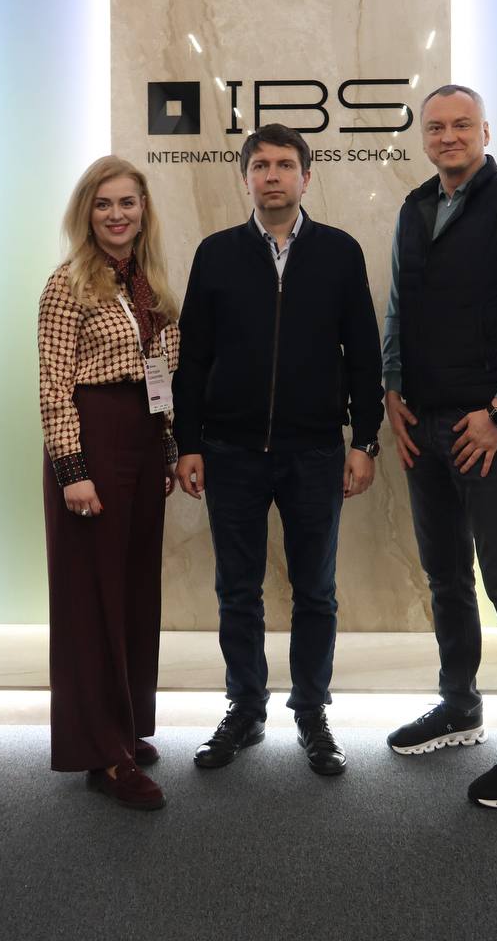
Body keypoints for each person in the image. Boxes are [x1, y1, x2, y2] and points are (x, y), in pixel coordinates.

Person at [173, 123, 383, 776]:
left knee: (315, 591)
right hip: (230, 451)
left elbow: (364, 354)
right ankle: (245, 709)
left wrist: (365, 440)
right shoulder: (216, 253)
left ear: (305, 177)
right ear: (246, 178)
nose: (272, 175)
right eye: (260, 165)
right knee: (237, 590)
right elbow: (192, 358)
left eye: (284, 164)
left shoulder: (339, 252)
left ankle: (312, 712)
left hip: (314, 451)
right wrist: (188, 442)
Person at [383, 85, 497, 809]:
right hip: (423, 427)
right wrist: (391, 390)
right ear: (424, 137)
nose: (449, 136)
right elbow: (398, 308)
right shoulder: (413, 209)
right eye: (436, 127)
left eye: (463, 124)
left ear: (485, 132)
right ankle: (459, 707)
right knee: (445, 579)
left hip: (485, 430)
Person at [38, 155, 179, 810]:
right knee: (91, 600)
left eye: (127, 202)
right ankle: (102, 755)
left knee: (133, 590)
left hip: (143, 441)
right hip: (93, 438)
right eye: (103, 204)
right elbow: (52, 387)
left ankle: (123, 726)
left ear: (143, 211)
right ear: (86, 213)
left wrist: (168, 448)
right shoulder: (67, 284)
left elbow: (164, 377)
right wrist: (73, 471)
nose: (116, 214)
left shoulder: (150, 286)